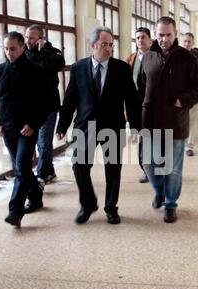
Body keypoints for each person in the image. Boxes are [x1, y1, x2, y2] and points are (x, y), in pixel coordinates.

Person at [56, 27, 141, 225]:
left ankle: (111, 207)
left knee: (113, 169)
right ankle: (88, 203)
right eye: (104, 45)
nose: (109, 48)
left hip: (113, 125)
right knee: (79, 165)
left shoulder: (122, 68)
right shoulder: (78, 68)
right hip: (86, 126)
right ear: (93, 45)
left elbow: (132, 100)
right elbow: (70, 100)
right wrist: (62, 126)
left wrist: (136, 126)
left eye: (111, 45)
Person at [141, 17, 198, 223]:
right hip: (151, 121)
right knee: (150, 163)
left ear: (175, 34)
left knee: (171, 168)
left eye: (168, 35)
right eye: (160, 34)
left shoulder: (187, 58)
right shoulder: (148, 56)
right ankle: (159, 191)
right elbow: (141, 86)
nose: (164, 39)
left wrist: (183, 100)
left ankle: (170, 203)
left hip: (175, 121)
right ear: (155, 34)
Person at [0, 32, 50, 227]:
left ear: (23, 47)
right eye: (6, 49)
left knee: (21, 166)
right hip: (7, 129)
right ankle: (36, 194)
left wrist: (33, 124)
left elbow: (44, 102)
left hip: (27, 130)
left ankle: (15, 211)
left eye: (13, 48)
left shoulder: (36, 72)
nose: (9, 52)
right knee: (21, 168)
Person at [25, 25, 66, 186]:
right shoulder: (25, 53)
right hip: (30, 108)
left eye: (32, 38)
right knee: (38, 143)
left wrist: (43, 51)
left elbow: (58, 64)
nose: (28, 41)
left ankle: (41, 176)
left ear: (41, 38)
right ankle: (49, 172)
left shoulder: (52, 53)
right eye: (27, 37)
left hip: (49, 106)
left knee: (43, 142)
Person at [126, 27, 152, 183]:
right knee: (142, 137)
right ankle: (146, 168)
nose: (140, 40)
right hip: (136, 106)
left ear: (150, 39)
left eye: (143, 37)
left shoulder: (156, 57)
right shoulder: (132, 58)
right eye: (137, 38)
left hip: (153, 105)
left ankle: (152, 168)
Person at [181, 32, 198, 157]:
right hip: (179, 94)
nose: (187, 43)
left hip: (194, 94)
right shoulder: (176, 55)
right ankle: (179, 143)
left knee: (193, 121)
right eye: (185, 41)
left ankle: (189, 146)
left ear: (193, 43)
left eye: (189, 41)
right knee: (179, 121)